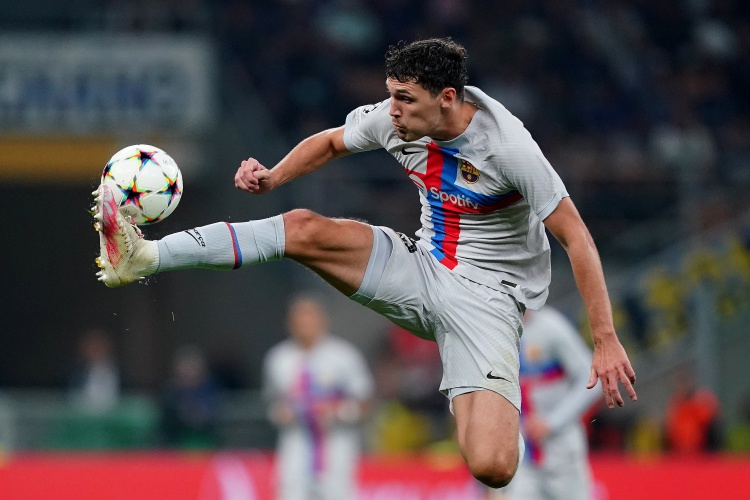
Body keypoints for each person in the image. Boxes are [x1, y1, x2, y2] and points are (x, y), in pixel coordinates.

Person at [93, 37, 637, 487]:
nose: (392, 110)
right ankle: (144, 256)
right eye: (390, 95)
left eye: (405, 99)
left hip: (491, 302)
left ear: (447, 98)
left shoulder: (509, 148)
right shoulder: (394, 120)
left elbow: (577, 237)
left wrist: (605, 337)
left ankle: (478, 386)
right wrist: (274, 176)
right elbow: (332, 143)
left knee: (492, 466)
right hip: (423, 269)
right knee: (303, 228)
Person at [263, 295, 374, 500]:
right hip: (295, 446)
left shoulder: (344, 356)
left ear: (323, 320)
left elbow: (365, 403)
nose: (305, 323)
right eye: (299, 318)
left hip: (336, 447)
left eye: (310, 317)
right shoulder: (278, 358)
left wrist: (338, 411)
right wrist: (281, 413)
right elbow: (272, 402)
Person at [493, 306, 600, 500]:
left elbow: (592, 381)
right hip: (521, 457)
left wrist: (552, 422)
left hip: (561, 455)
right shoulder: (497, 332)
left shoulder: (552, 327)